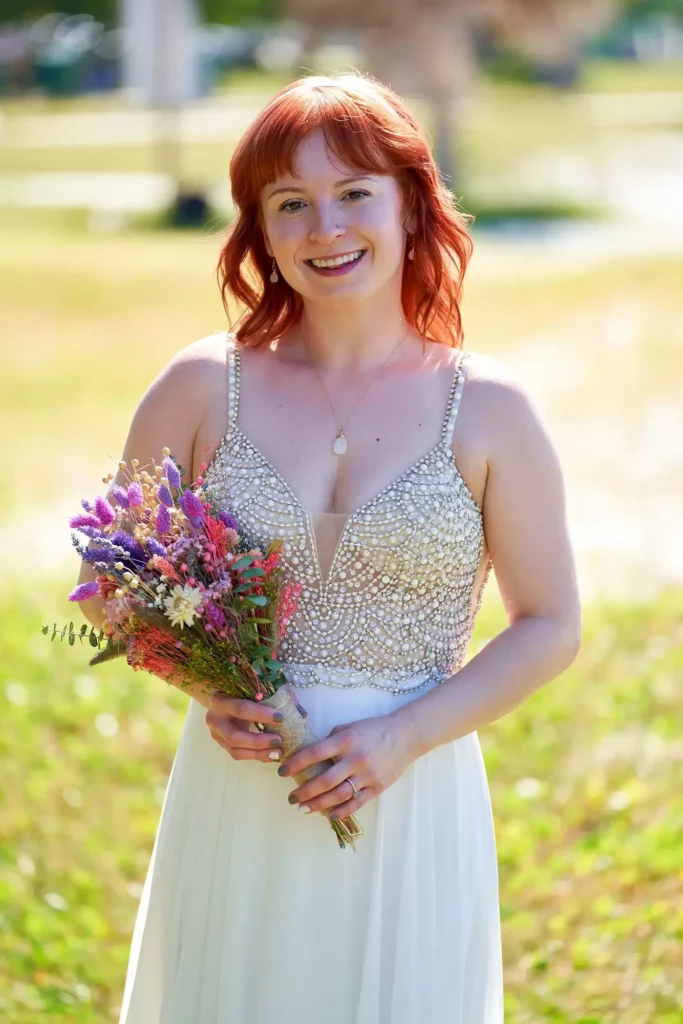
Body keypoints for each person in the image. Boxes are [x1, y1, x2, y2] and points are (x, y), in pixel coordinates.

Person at [77, 71, 581, 1024]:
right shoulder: (197, 386)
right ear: (259, 229)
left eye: (354, 194)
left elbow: (550, 625)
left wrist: (403, 738)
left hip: (413, 791)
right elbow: (110, 587)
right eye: (290, 204)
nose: (325, 229)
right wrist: (209, 689)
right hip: (239, 788)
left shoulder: (492, 409)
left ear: (410, 203)